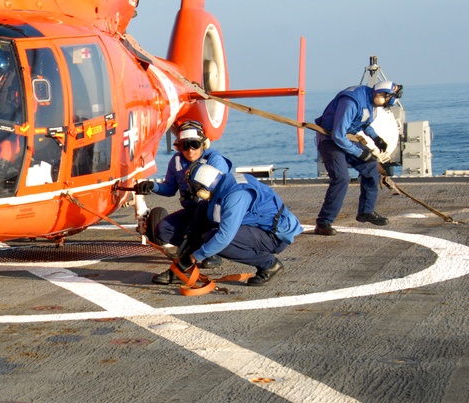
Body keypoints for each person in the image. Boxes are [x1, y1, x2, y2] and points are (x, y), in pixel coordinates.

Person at [158, 162, 303, 286]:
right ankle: (179, 270)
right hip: (258, 226)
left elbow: (224, 237)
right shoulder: (225, 183)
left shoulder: (236, 197)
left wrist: (195, 257)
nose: (193, 192)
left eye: (194, 188)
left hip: (273, 237)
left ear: (203, 189)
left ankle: (269, 265)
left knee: (216, 239)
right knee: (202, 211)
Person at [135, 119, 231, 275]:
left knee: (207, 218)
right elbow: (169, 188)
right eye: (185, 145)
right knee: (163, 230)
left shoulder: (215, 160)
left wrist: (201, 194)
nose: (190, 150)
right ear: (179, 146)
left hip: (212, 212)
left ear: (203, 144)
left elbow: (223, 190)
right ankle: (196, 247)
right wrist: (152, 186)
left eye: (194, 144)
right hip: (192, 211)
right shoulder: (176, 161)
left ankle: (214, 250)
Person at [313, 80, 403, 235]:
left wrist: (376, 138)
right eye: (386, 100)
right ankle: (323, 222)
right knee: (341, 178)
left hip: (345, 138)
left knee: (371, 167)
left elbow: (363, 122)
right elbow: (338, 135)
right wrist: (359, 153)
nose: (384, 105)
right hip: (330, 141)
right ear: (381, 94)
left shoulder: (369, 99)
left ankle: (366, 211)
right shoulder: (351, 102)